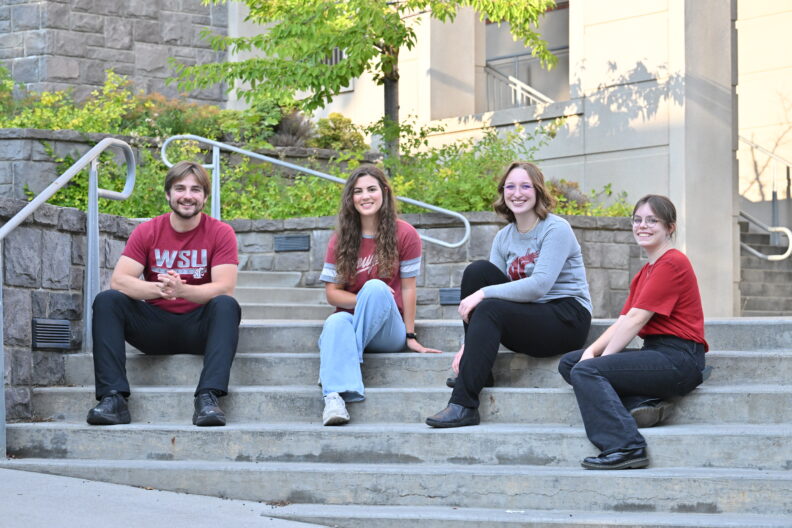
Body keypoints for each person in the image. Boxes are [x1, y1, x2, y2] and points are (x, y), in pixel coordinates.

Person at [426, 161, 592, 428]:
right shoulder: (504, 237)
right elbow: (490, 288)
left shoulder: (556, 229)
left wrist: (483, 294)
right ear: (503, 192)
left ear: (538, 191)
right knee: (477, 272)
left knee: (488, 303)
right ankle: (479, 371)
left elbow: (539, 286)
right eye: (510, 187)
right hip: (530, 317)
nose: (517, 193)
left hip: (566, 318)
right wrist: (468, 346)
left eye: (525, 186)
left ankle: (463, 405)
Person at [558, 194, 707, 470]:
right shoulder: (645, 272)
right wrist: (591, 352)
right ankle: (643, 403)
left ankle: (626, 446)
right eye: (638, 220)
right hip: (656, 353)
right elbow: (622, 321)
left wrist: (599, 362)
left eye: (652, 220)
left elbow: (637, 320)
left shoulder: (672, 262)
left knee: (587, 371)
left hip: (680, 359)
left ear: (670, 227)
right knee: (571, 363)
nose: (642, 226)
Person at [86, 161, 241, 427]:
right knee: (107, 300)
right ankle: (113, 398)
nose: (187, 196)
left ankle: (208, 398)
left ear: (205, 197)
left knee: (226, 305)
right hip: (154, 328)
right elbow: (119, 281)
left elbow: (224, 287)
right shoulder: (147, 231)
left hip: (199, 329)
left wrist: (183, 291)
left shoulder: (220, 232)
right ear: (168, 194)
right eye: (180, 188)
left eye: (195, 189)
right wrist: (160, 289)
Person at [319, 165, 441, 426]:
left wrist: (410, 335)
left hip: (388, 329)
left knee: (375, 288)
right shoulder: (340, 239)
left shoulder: (405, 234)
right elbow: (332, 294)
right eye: (358, 191)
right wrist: (366, 301)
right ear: (351, 198)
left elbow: (408, 288)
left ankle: (338, 361)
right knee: (335, 321)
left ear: (384, 192)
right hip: (351, 321)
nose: (365, 196)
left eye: (371, 189)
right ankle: (333, 400)